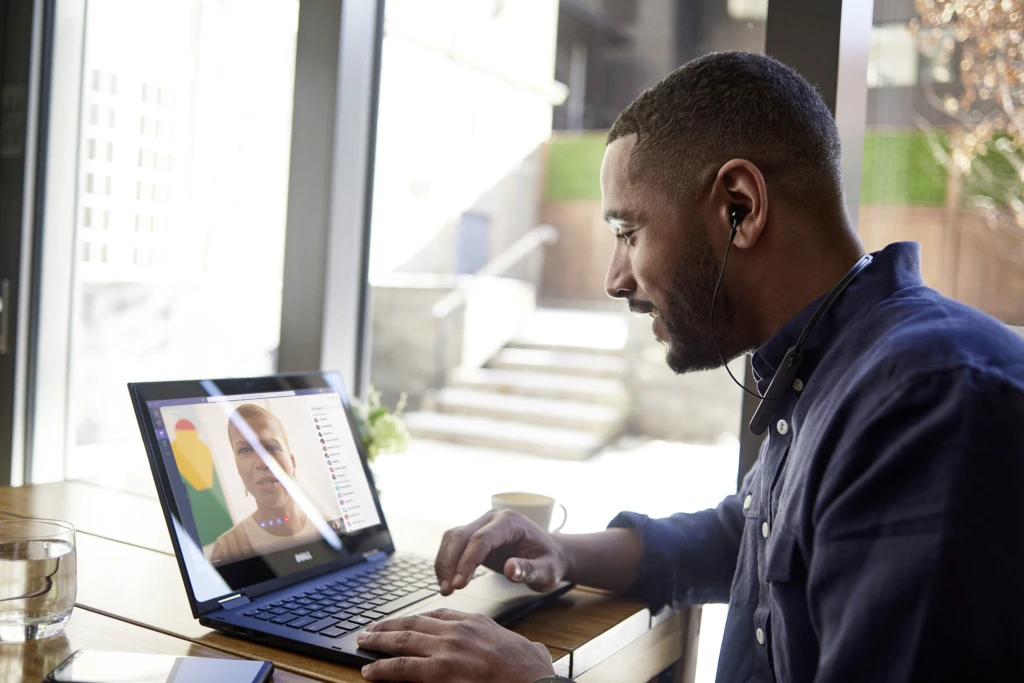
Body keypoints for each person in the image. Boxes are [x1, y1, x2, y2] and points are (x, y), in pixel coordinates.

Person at [356, 52, 1024, 683]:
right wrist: (564, 551)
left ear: (740, 206)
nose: (617, 278)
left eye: (628, 232)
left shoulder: (927, 400)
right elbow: (749, 531)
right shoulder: (844, 361)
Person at [208, 404, 323, 564]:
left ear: (292, 463)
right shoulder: (227, 550)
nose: (262, 462)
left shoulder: (328, 529)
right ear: (238, 468)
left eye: (271, 447)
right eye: (245, 450)